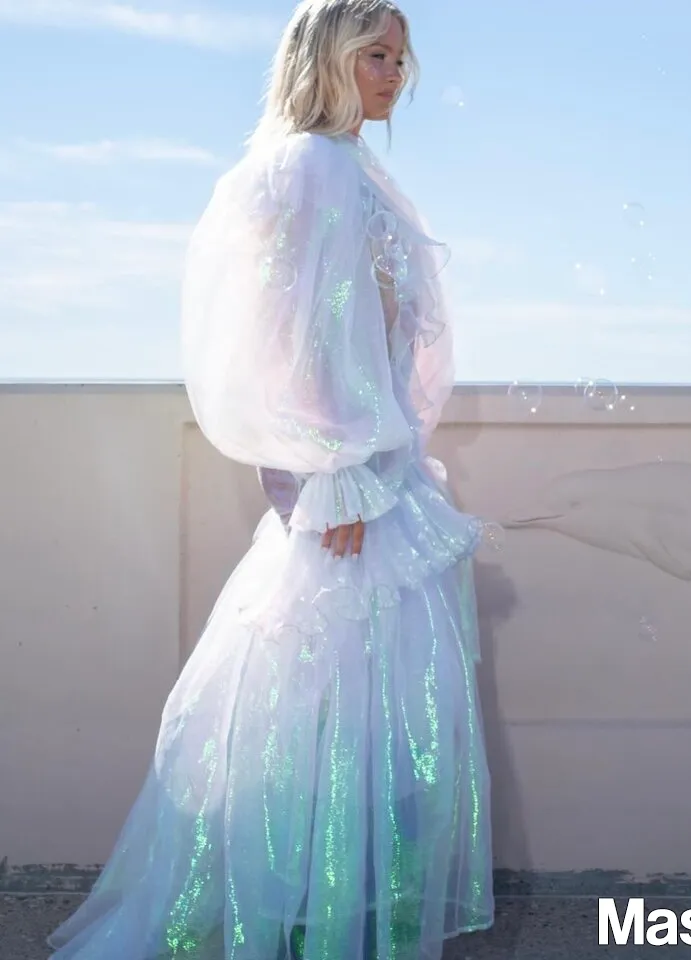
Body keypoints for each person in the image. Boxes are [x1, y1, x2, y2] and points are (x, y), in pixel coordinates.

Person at [45, 1, 495, 957]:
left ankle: (354, 929)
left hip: (380, 482)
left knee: (381, 732)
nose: (394, 74)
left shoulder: (350, 168)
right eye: (375, 54)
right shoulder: (310, 167)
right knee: (331, 733)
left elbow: (372, 337)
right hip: (348, 491)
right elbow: (284, 340)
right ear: (326, 57)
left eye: (400, 57)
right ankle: (317, 935)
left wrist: (370, 466)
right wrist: (331, 474)